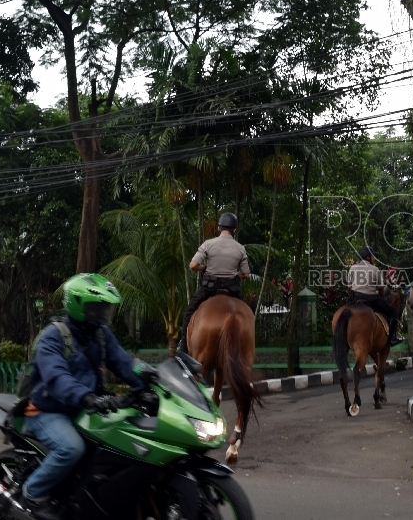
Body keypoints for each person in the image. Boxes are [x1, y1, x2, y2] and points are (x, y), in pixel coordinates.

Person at [20, 273, 158, 520]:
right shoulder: (53, 336)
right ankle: (33, 493)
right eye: (96, 307)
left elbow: (125, 363)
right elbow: (57, 378)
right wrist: (88, 397)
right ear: (77, 305)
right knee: (71, 448)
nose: (102, 313)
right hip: (48, 409)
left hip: (83, 407)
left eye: (105, 308)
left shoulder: (101, 334)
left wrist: (152, 380)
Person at [178, 212, 250, 353]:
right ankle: (248, 347)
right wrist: (235, 274)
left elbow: (193, 265)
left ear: (218, 228)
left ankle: (183, 348)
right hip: (232, 288)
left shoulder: (208, 244)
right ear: (234, 230)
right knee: (247, 315)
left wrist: (204, 268)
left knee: (189, 312)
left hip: (209, 287)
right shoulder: (240, 248)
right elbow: (246, 274)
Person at [348, 246, 405, 346]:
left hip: (355, 299)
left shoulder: (352, 268)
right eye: (373, 256)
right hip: (370, 299)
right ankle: (392, 338)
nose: (374, 258)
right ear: (368, 257)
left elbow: (349, 286)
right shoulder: (375, 269)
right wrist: (382, 296)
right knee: (392, 312)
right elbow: (381, 289)